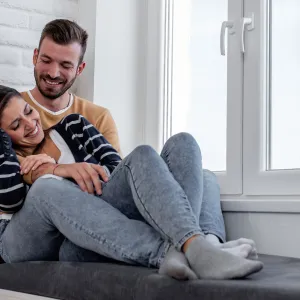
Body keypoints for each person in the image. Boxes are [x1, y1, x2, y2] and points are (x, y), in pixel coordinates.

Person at [0, 85, 263, 280]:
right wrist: (53, 171)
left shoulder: (73, 126)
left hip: (113, 208)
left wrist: (74, 169)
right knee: (48, 186)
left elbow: (120, 170)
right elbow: (17, 200)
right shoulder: (13, 164)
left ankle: (201, 246)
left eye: (28, 111)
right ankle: (191, 248)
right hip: (80, 237)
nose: (29, 124)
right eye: (15, 125)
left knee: (182, 148)